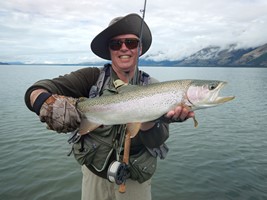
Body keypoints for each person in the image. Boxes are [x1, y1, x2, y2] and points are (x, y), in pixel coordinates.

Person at [24, 13, 194, 200]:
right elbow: (37, 90)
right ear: (109, 50)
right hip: (94, 176)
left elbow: (156, 142)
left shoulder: (156, 88)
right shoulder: (90, 78)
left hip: (135, 180)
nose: (124, 49)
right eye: (116, 44)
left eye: (131, 42)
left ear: (140, 48)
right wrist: (46, 104)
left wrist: (149, 121)